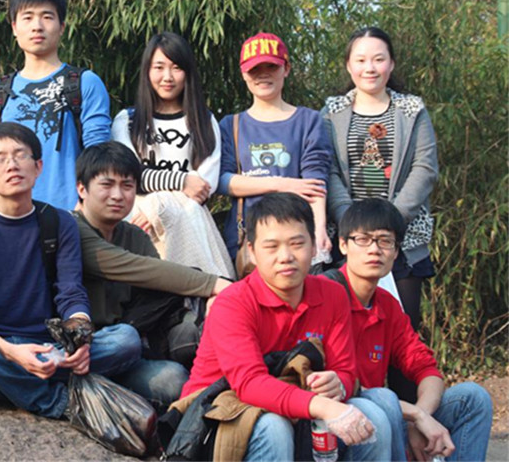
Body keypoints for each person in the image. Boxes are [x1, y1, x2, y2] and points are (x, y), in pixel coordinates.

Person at [0, 122, 141, 420]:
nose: (12, 165)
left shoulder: (59, 222)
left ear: (38, 167)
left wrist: (80, 340)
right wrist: (11, 353)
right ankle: (57, 401)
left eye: (21, 155)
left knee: (126, 340)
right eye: (0, 159)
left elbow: (71, 294)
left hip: (48, 348)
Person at [181, 193, 391, 461]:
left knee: (372, 415)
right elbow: (250, 383)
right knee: (273, 427)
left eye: (297, 244)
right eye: (271, 246)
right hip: (212, 415)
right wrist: (323, 406)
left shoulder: (334, 295)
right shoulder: (233, 302)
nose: (286, 256)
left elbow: (346, 370)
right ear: (251, 251)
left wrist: (338, 384)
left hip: (297, 406)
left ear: (314, 247)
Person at [73, 141, 232, 412]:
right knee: (125, 340)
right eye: (107, 185)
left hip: (128, 352)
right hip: (87, 348)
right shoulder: (71, 228)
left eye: (127, 186)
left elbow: (158, 290)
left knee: (174, 378)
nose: (118, 195)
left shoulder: (133, 235)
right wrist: (215, 284)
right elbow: (139, 268)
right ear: (82, 189)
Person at [336, 199, 492, 462]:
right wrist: (414, 415)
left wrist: (420, 417)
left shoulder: (388, 306)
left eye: (385, 241)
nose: (374, 249)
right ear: (343, 245)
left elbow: (427, 369)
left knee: (472, 398)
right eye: (363, 239)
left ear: (396, 251)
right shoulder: (326, 295)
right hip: (343, 421)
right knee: (383, 400)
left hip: (386, 416)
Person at [322, 27, 439, 336]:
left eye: (378, 59)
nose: (369, 68)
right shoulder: (332, 112)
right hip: (349, 236)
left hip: (402, 237)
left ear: (391, 64)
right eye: (361, 60)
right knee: (345, 331)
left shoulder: (412, 110)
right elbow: (327, 169)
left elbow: (425, 168)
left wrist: (392, 220)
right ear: (349, 66)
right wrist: (350, 220)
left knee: (403, 331)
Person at [0, 0, 111, 209]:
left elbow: (98, 151)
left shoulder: (84, 82)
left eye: (47, 17)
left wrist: (85, 210)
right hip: (10, 216)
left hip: (70, 213)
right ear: (14, 27)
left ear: (62, 26)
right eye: (27, 18)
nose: (37, 26)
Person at [111, 32, 234, 277]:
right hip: (139, 221)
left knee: (200, 287)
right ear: (147, 71)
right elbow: (128, 176)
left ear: (187, 73)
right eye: (159, 67)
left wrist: (161, 205)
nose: (167, 77)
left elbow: (203, 187)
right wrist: (182, 180)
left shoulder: (204, 121)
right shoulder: (127, 121)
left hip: (188, 221)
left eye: (176, 68)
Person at [218, 32, 332, 271]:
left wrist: (319, 230)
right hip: (248, 239)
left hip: (296, 236)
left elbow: (315, 182)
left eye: (271, 66)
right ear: (243, 74)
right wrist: (284, 184)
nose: (263, 75)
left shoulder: (309, 121)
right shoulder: (230, 125)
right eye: (254, 69)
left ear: (286, 69)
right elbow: (224, 181)